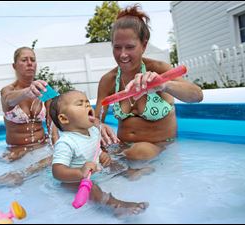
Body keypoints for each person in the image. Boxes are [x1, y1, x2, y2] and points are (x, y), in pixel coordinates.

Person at [94, 4, 203, 161]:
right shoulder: (109, 80)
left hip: (159, 148)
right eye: (117, 47)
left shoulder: (159, 70)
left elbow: (197, 96)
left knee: (138, 152)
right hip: (122, 149)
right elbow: (97, 118)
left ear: (144, 45)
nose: (122, 54)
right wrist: (99, 126)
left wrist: (164, 85)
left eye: (130, 47)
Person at [50, 90, 149, 217]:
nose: (87, 106)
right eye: (80, 104)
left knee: (114, 163)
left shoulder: (93, 131)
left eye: (87, 102)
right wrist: (79, 172)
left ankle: (129, 172)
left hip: (93, 171)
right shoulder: (66, 142)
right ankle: (116, 206)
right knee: (93, 189)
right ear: (64, 118)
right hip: (72, 180)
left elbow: (96, 149)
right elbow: (57, 171)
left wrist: (102, 155)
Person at [0, 47, 58, 186]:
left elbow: (52, 126)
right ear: (14, 66)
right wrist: (27, 92)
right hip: (16, 151)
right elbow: (8, 100)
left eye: (33, 60)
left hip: (42, 147)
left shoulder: (45, 90)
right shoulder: (8, 90)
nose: (29, 63)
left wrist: (58, 149)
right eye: (24, 60)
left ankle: (23, 174)